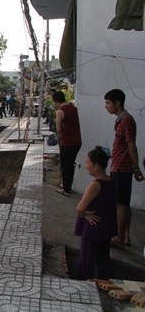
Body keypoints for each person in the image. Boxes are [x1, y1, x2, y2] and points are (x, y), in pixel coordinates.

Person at [104, 89, 144, 248]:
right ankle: (125, 236)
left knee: (120, 204)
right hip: (120, 166)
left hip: (122, 167)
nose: (106, 106)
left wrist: (136, 168)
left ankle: (119, 237)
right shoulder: (121, 120)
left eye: (108, 103)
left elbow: (132, 147)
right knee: (124, 203)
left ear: (117, 103)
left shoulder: (126, 120)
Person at [74, 146, 117, 280]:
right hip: (106, 228)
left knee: (87, 263)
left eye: (88, 163)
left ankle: (83, 287)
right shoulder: (111, 181)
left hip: (92, 230)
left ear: (96, 165)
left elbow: (80, 208)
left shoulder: (95, 185)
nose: (86, 166)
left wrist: (85, 215)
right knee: (103, 259)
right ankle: (105, 284)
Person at [54, 91, 82, 197]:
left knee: (66, 165)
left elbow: (58, 129)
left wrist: (60, 139)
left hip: (67, 142)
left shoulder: (60, 111)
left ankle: (66, 189)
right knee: (71, 164)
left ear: (56, 101)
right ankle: (68, 185)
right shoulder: (74, 108)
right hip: (77, 141)